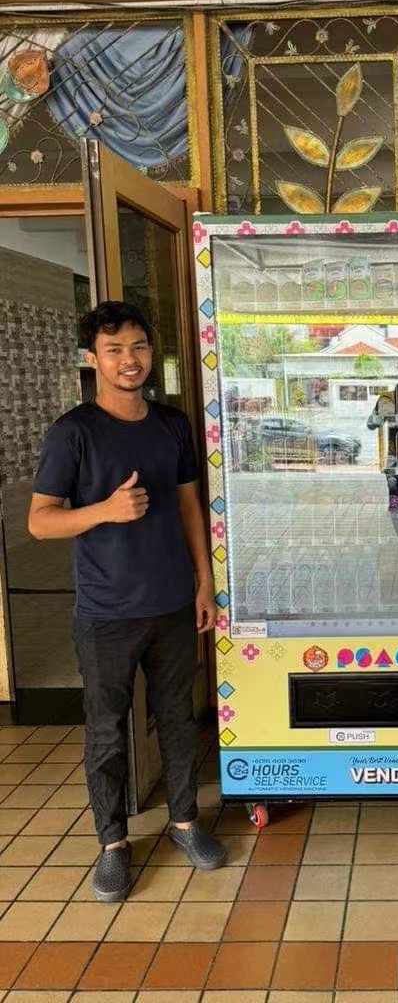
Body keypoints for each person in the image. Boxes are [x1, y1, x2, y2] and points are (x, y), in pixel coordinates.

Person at [29, 301, 227, 901]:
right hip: (106, 612)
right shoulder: (74, 431)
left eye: (138, 347)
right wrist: (105, 511)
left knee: (177, 719)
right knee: (108, 730)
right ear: (92, 359)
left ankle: (186, 822)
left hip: (171, 603)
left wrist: (204, 582)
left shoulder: (172, 424)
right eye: (114, 350)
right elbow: (41, 521)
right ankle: (112, 843)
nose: (129, 359)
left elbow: (190, 505)